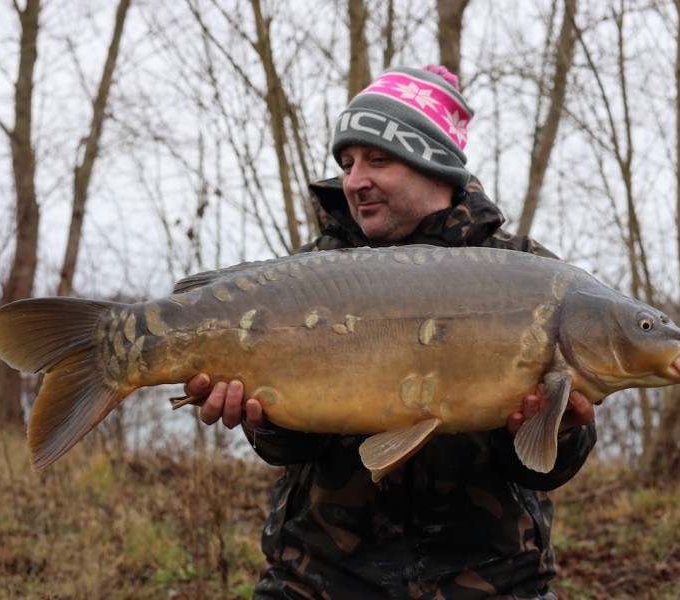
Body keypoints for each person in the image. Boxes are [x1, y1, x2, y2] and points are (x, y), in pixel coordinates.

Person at [186, 65, 597, 599]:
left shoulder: (531, 273)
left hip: (493, 582)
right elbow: (286, 447)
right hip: (320, 579)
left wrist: (560, 428)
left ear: (438, 169)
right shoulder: (307, 274)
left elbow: (547, 470)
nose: (355, 180)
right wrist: (262, 421)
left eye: (378, 160)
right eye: (348, 163)